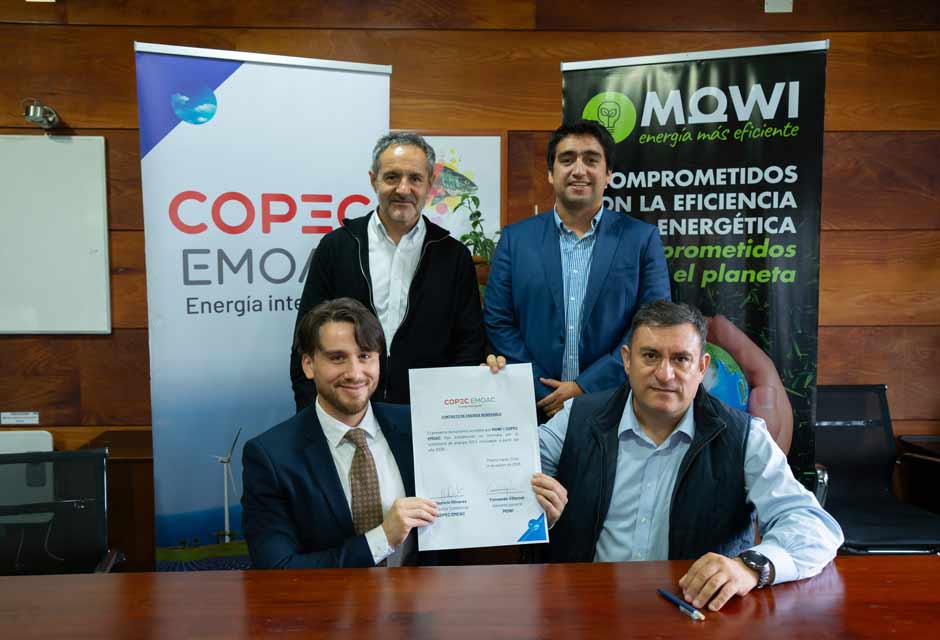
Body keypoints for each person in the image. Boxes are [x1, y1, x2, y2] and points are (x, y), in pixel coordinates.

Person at [533, 300, 842, 611]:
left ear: (702, 367)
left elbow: (814, 526)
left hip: (695, 612)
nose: (665, 374)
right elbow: (510, 483)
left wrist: (750, 567)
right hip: (585, 609)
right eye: (650, 356)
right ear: (627, 361)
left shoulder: (743, 436)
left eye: (681, 359)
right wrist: (539, 517)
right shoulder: (575, 419)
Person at [244, 298, 564, 569]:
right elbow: (277, 570)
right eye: (337, 358)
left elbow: (478, 504)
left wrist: (532, 514)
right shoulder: (271, 457)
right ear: (308, 365)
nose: (355, 373)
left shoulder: (422, 424)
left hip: (427, 610)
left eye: (365, 356)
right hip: (328, 614)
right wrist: (382, 538)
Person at [483, 120, 671, 420]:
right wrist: (541, 389)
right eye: (567, 160)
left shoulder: (641, 239)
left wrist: (586, 386)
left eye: (591, 160)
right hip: (531, 406)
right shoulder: (515, 239)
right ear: (550, 173)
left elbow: (652, 324)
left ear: (608, 174)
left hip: (612, 405)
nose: (579, 170)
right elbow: (498, 320)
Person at [289, 132, 486, 409]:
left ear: (430, 184)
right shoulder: (337, 247)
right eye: (392, 177)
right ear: (374, 180)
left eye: (415, 179)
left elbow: (469, 345)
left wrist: (448, 414)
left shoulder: (454, 256)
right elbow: (306, 341)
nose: (403, 189)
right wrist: (314, 415)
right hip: (347, 413)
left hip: (427, 415)